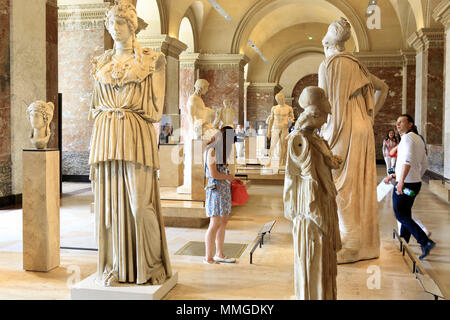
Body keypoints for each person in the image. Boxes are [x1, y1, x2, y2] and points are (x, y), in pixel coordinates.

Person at [88, 0, 171, 286]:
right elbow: (95, 107)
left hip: (135, 133)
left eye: (120, 23)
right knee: (109, 208)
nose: (114, 29)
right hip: (106, 134)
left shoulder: (152, 60)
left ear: (132, 25)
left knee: (139, 204)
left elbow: (154, 110)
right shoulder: (100, 63)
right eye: (110, 24)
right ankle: (114, 266)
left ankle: (151, 262)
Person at [318, 17, 389, 263]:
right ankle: (355, 240)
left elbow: (322, 106)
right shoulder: (357, 64)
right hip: (362, 129)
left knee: (341, 186)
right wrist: (369, 118)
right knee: (357, 184)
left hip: (341, 128)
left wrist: (318, 133)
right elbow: (384, 88)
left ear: (328, 40)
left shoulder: (327, 64)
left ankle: (352, 244)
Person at [284, 86, 342, 300]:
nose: (327, 121)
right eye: (325, 115)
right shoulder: (299, 140)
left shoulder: (315, 139)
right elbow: (302, 179)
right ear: (314, 113)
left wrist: (331, 161)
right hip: (311, 212)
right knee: (313, 259)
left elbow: (326, 164)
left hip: (323, 206)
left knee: (324, 261)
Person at [383, 114, 435, 260]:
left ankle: (425, 241)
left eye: (401, 122)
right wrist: (398, 176)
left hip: (405, 185)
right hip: (414, 184)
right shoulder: (418, 139)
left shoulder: (406, 138)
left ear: (410, 124)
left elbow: (406, 161)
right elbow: (424, 164)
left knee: (400, 214)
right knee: (405, 213)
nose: (398, 124)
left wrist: (401, 182)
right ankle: (403, 242)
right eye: (397, 122)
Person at [203, 126, 238, 264]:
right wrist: (228, 177)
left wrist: (231, 178)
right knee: (215, 222)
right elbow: (213, 174)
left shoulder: (220, 152)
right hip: (216, 190)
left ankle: (219, 253)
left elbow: (221, 172)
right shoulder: (211, 151)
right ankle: (208, 257)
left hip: (223, 190)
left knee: (223, 222)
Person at [266, 92, 295, 167]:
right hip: (275, 127)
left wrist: (290, 120)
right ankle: (269, 161)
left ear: (283, 99)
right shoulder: (274, 108)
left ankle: (282, 161)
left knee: (283, 145)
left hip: (284, 128)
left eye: (280, 99)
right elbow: (271, 120)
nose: (279, 100)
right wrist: (268, 131)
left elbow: (292, 119)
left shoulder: (288, 108)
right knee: (272, 145)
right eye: (277, 99)